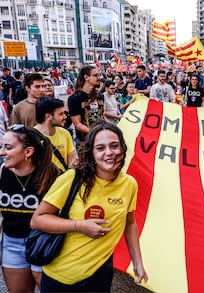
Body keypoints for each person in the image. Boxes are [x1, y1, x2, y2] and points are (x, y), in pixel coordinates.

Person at [31, 121, 148, 292]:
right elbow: (37, 220)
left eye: (114, 146)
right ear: (91, 152)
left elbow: (129, 224)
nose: (109, 153)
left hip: (99, 275)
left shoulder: (130, 184)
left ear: (122, 148)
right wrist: (78, 226)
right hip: (61, 276)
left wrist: (137, 262)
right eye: (100, 148)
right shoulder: (71, 178)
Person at [0, 125, 60, 292]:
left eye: (8, 147)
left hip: (45, 244)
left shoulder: (52, 175)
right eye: (2, 146)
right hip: (12, 244)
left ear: (28, 152)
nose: (2, 152)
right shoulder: (1, 172)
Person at [35, 96, 76, 171]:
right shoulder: (32, 137)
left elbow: (72, 160)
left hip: (64, 181)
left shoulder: (65, 133)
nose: (65, 117)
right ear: (48, 116)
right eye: (61, 114)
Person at [68, 65, 104, 146]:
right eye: (95, 75)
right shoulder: (74, 98)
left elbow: (101, 115)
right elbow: (77, 124)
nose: (99, 78)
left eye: (99, 75)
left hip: (101, 139)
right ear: (86, 77)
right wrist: (94, 132)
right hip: (84, 142)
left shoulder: (100, 96)